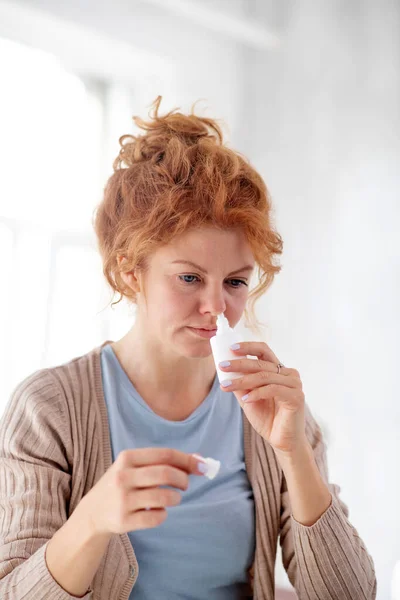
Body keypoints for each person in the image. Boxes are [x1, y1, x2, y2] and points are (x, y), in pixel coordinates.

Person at [0, 96, 376, 600]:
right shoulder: (48, 409)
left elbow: (350, 595)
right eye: (190, 278)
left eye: (236, 282)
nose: (216, 307)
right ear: (130, 272)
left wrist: (294, 456)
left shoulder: (271, 408)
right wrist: (90, 520)